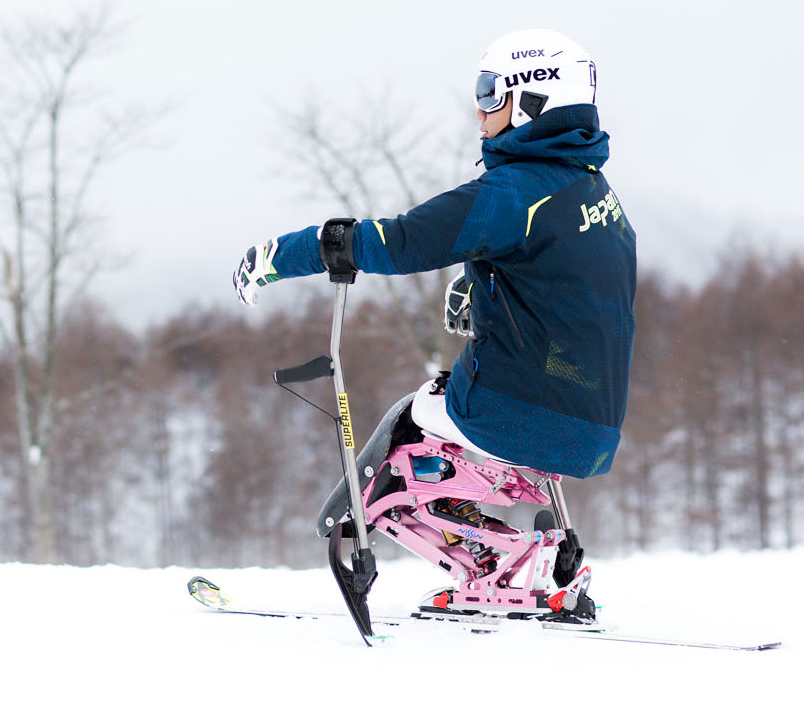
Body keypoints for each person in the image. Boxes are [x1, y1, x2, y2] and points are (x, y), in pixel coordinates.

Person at [232, 29, 636, 480]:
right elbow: (564, 272)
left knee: (413, 414)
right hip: (594, 434)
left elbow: (400, 243)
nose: (478, 110)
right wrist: (480, 282)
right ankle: (488, 533)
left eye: (489, 92)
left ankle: (405, 525)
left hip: (514, 415)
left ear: (532, 101)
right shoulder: (592, 191)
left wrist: (282, 255)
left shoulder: (512, 193)